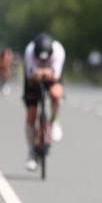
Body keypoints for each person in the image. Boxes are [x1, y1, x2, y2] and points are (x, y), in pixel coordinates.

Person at [23, 32, 66, 171]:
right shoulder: (29, 51)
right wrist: (38, 74)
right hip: (33, 80)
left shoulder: (58, 51)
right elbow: (30, 76)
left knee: (56, 93)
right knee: (31, 113)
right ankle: (30, 151)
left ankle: (55, 121)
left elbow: (56, 76)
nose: (42, 61)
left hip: (52, 78)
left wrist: (45, 73)